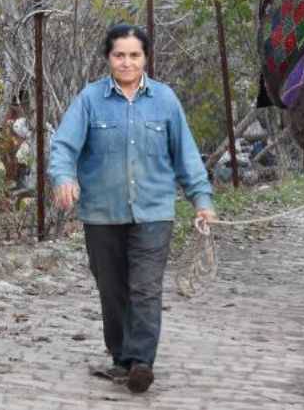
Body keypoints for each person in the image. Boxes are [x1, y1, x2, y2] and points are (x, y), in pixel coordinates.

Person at [49, 23, 216, 393]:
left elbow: (186, 155)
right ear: (109, 58)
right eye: (119, 55)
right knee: (112, 289)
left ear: (146, 58)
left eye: (134, 55)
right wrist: (63, 178)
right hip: (102, 213)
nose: (127, 62)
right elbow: (63, 146)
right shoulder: (90, 100)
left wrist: (201, 200)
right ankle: (121, 356)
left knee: (145, 288)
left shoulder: (165, 101)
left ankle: (141, 361)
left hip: (154, 212)